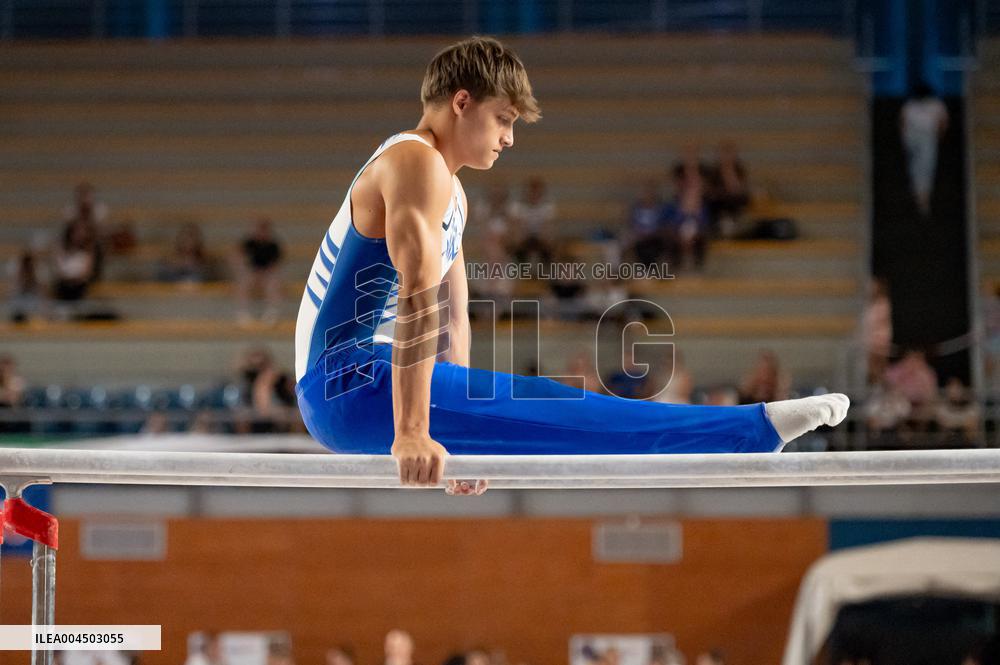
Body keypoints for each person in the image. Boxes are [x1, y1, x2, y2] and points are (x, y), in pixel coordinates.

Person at [292, 36, 849, 491]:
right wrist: (412, 430)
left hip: (372, 377)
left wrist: (455, 440)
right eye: (503, 119)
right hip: (344, 381)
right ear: (461, 102)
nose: (509, 139)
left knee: (543, 407)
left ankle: (745, 433)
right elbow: (417, 294)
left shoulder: (454, 197)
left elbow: (454, 318)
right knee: (558, 410)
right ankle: (747, 434)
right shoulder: (415, 161)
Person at [900, 82, 948, 216]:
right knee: (915, 167)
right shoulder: (910, 104)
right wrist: (905, 139)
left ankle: (923, 198)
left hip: (928, 136)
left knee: (926, 167)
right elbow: (903, 122)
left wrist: (938, 136)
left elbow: (943, 121)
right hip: (913, 135)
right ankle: (918, 195)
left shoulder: (936, 104)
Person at [236, 217, 284, 325]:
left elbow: (276, 264)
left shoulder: (273, 245)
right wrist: (247, 270)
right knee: (244, 282)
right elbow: (239, 257)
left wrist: (265, 273)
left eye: (264, 230)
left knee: (273, 283)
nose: (261, 233)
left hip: (267, 274)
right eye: (259, 230)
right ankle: (243, 312)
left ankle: (272, 313)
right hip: (253, 272)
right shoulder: (249, 243)